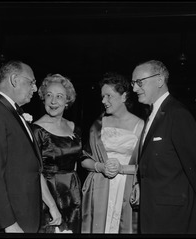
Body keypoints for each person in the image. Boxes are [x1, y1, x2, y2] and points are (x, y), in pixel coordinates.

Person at [0, 60, 62, 233]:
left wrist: (50, 205)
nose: (35, 89)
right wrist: (9, 224)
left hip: (23, 219)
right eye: (32, 82)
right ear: (14, 80)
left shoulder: (10, 113)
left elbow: (31, 168)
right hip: (7, 225)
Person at [131, 60, 196, 234]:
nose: (134, 89)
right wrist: (140, 184)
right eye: (133, 83)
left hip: (173, 213)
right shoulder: (153, 113)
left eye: (139, 82)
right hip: (153, 209)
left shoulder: (177, 114)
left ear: (159, 80)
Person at [81, 72, 144, 233]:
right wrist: (100, 167)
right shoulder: (98, 125)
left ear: (124, 96)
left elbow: (146, 166)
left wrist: (121, 168)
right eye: (102, 97)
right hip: (100, 188)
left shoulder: (141, 125)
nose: (103, 101)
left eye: (108, 96)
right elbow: (84, 159)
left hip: (127, 188)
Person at [32, 74, 82, 233]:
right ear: (43, 98)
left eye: (59, 96)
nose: (53, 101)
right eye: (49, 95)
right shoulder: (36, 130)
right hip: (47, 196)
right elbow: (35, 171)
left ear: (68, 100)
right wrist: (52, 206)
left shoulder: (74, 127)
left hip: (72, 195)